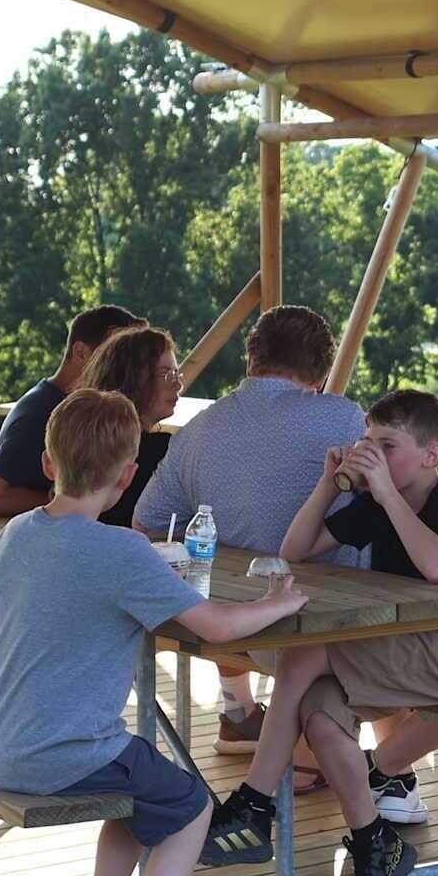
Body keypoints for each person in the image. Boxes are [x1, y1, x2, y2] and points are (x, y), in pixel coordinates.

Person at [0, 388, 309, 876]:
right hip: (63, 751)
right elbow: (214, 626)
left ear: (47, 465)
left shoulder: (17, 533)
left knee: (136, 782)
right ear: (130, 476)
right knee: (187, 804)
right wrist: (278, 604)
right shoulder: (121, 551)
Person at [200, 389, 438, 876]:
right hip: (396, 651)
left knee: (305, 655)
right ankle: (376, 843)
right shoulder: (377, 502)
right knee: (319, 716)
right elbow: (294, 550)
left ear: (432, 455)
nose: (373, 453)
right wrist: (327, 485)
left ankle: (256, 803)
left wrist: (387, 494)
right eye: (367, 441)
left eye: (388, 445)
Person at [133, 305, 367, 750]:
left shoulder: (200, 428)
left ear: (251, 359)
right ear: (319, 370)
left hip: (223, 620)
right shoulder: (345, 421)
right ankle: (376, 767)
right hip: (329, 624)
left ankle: (241, 710)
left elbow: (147, 524)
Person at [0, 304, 144, 521]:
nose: (122, 365)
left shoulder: (77, 407)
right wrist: (65, 500)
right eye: (112, 353)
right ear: (81, 352)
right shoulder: (40, 412)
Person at [73, 323, 181, 528]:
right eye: (166, 374)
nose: (177, 384)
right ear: (132, 377)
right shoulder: (161, 450)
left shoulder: (83, 439)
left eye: (177, 374)